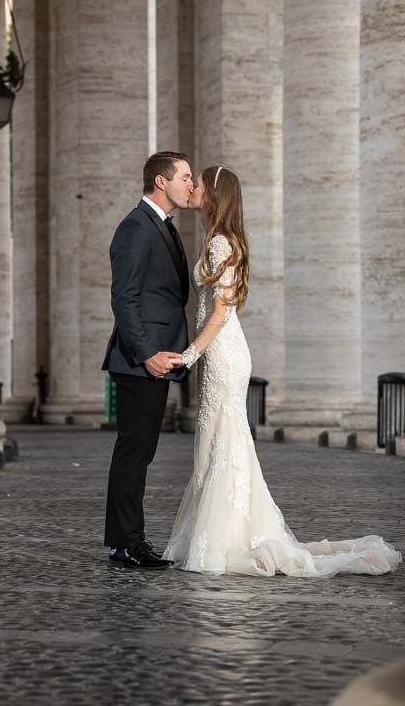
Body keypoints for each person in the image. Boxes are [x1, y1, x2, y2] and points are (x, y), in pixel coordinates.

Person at [164, 164, 401, 577]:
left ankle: (226, 538)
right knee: (221, 437)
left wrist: (189, 355)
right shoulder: (219, 238)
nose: (193, 188)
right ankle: (230, 531)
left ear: (214, 194)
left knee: (224, 439)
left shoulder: (220, 243)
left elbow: (220, 312)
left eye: (198, 183)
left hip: (222, 351)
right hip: (223, 353)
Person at [102, 150, 193, 569]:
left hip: (158, 358)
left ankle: (130, 539)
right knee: (134, 454)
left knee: (142, 453)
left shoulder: (164, 227)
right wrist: (147, 354)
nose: (191, 185)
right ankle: (126, 543)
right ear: (161, 181)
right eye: (186, 177)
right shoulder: (136, 227)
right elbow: (125, 297)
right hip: (141, 361)